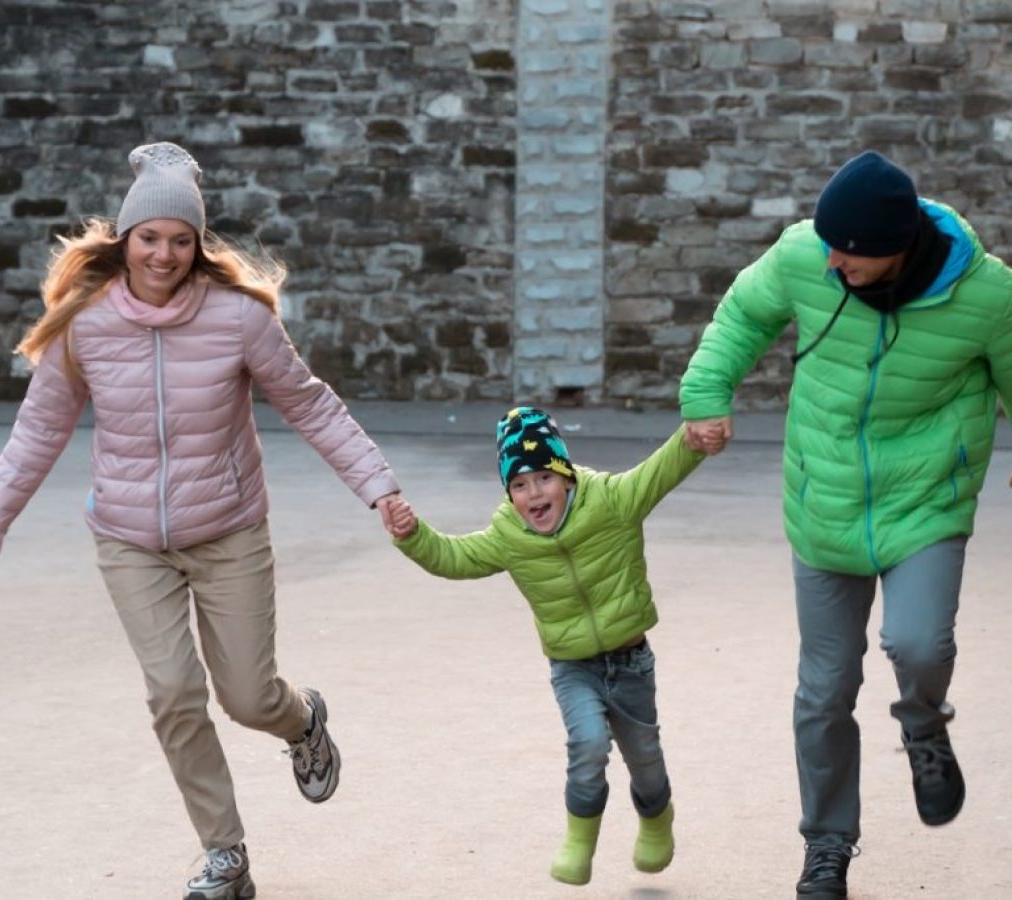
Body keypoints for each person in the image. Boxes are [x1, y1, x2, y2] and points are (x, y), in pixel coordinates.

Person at [0, 141, 403, 900]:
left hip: (228, 530)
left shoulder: (240, 320)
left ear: (198, 246)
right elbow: (38, 430)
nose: (164, 253)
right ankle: (225, 855)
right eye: (149, 237)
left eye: (180, 239)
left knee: (247, 696)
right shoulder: (87, 326)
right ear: (124, 242)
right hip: (129, 539)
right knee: (172, 691)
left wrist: (379, 487)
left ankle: (301, 723)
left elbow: (309, 402)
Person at [680, 149, 1012, 899]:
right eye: (827, 243)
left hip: (925, 498)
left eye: (849, 252)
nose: (831, 261)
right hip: (823, 500)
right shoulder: (806, 254)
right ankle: (827, 845)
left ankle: (923, 723)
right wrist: (706, 390)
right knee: (823, 691)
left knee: (917, 642)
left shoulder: (987, 296)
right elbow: (743, 314)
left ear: (895, 248)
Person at [385, 406, 705, 887]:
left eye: (542, 477)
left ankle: (657, 818)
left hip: (631, 660)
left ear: (567, 476)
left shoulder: (613, 500)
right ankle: (579, 840)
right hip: (573, 667)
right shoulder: (509, 536)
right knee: (588, 744)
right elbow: (454, 557)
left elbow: (663, 468)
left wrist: (695, 432)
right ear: (509, 493)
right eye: (519, 484)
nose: (533, 493)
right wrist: (413, 536)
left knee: (645, 757)